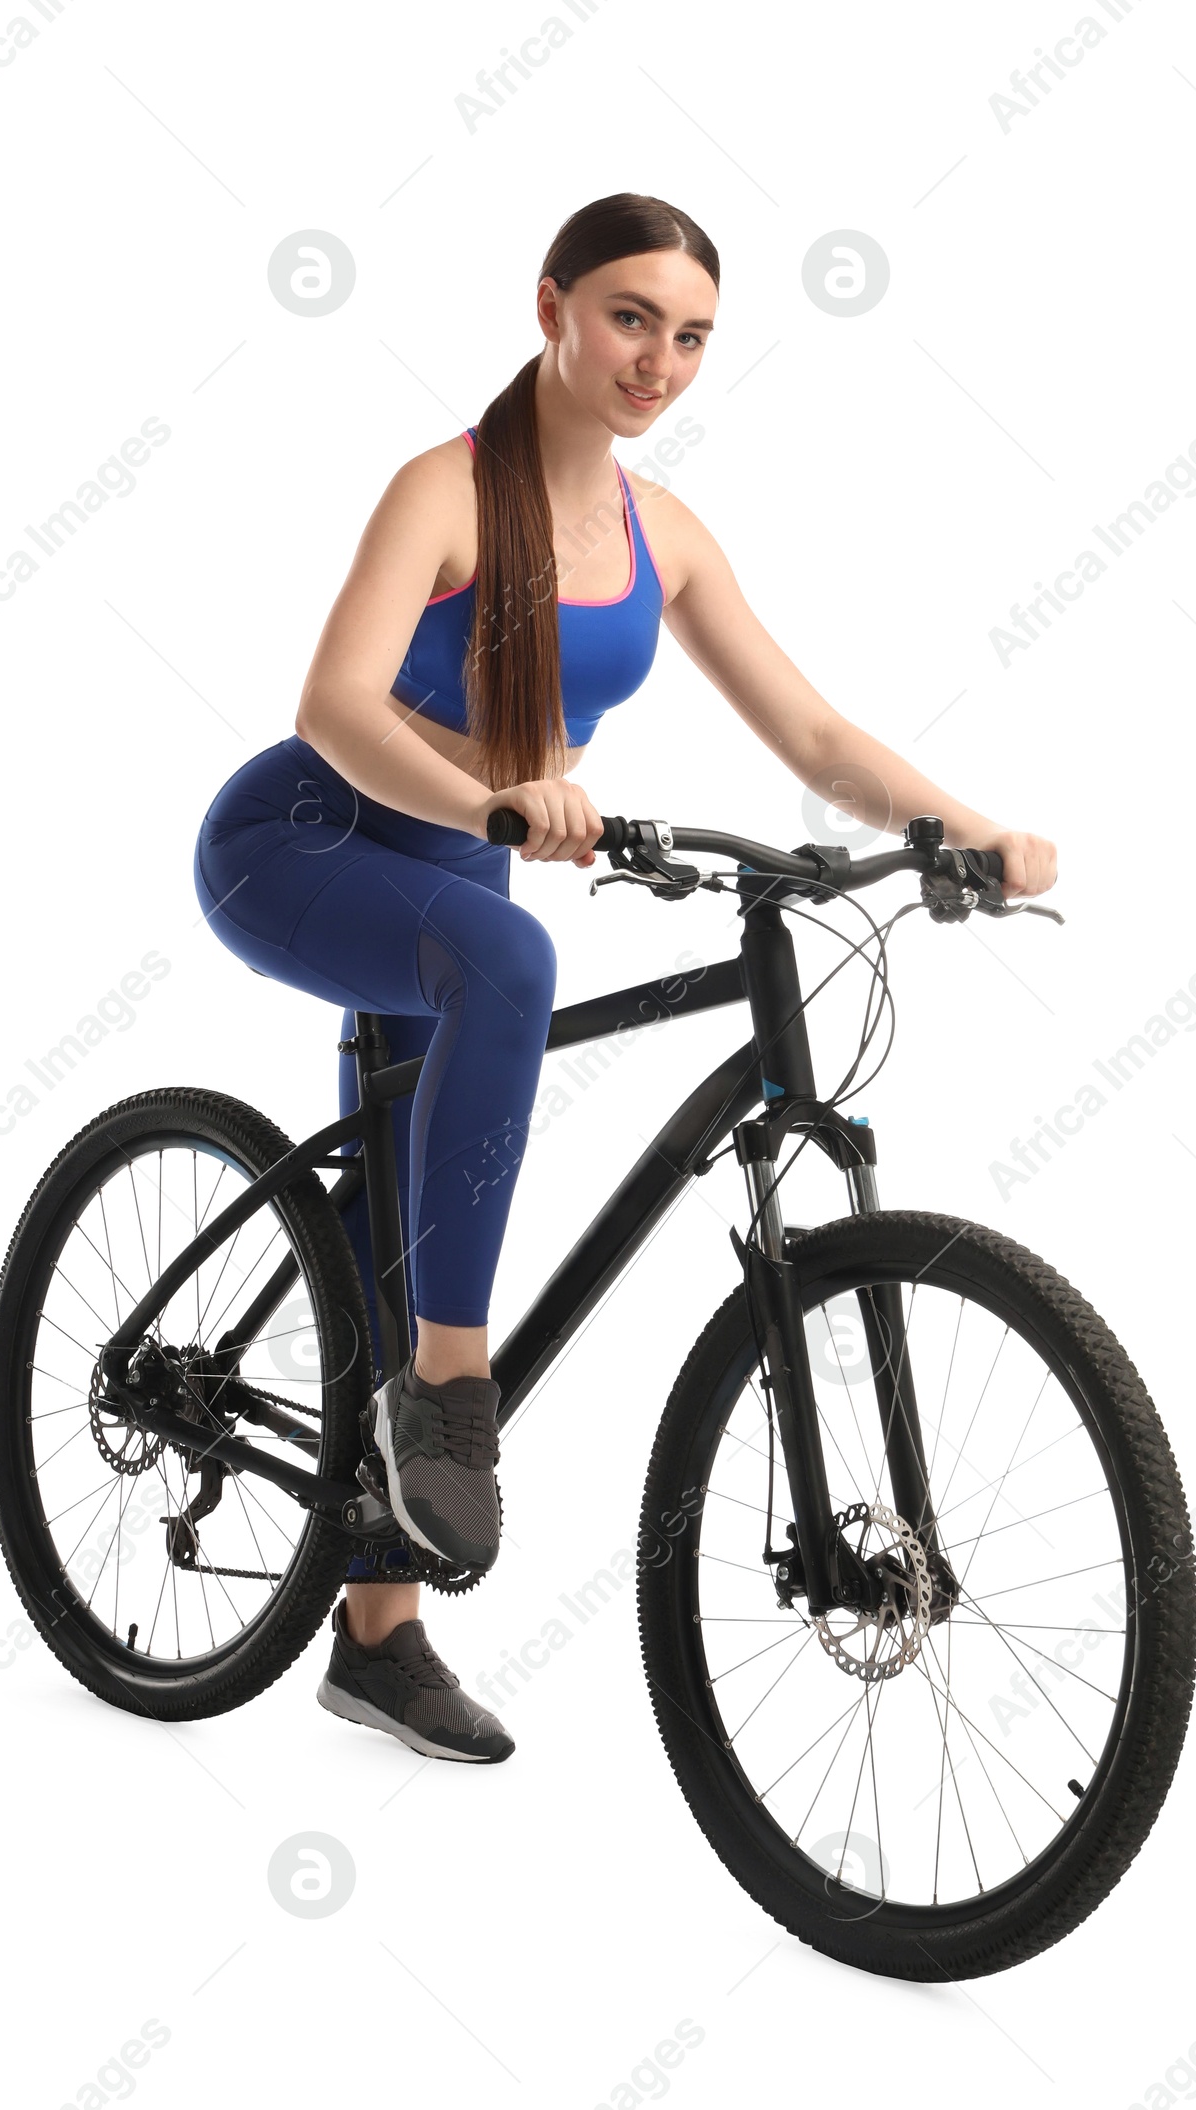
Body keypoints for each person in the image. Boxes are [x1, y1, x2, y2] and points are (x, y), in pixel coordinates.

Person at [193, 191, 1057, 1764]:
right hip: (305, 841)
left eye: (693, 336)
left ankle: (374, 1637)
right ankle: (449, 1399)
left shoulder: (667, 539)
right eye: (631, 319)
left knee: (422, 1160)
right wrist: (493, 805)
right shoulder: (442, 492)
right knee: (511, 956)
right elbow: (331, 702)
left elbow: (811, 739)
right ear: (554, 310)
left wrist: (966, 830)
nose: (659, 359)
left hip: (450, 880)